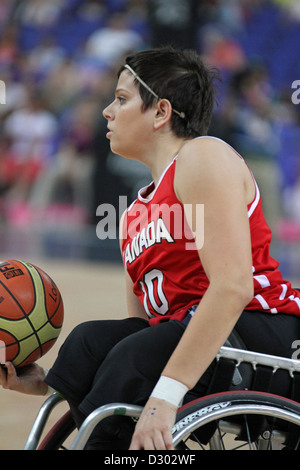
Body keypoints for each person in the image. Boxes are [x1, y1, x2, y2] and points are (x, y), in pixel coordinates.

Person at [1, 46, 300, 450]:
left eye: (122, 99)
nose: (107, 111)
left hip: (267, 332)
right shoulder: (132, 215)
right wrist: (45, 382)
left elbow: (233, 287)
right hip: (199, 344)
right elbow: (143, 328)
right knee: (91, 340)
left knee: (140, 352)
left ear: (160, 112)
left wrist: (165, 398)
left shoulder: (203, 156)